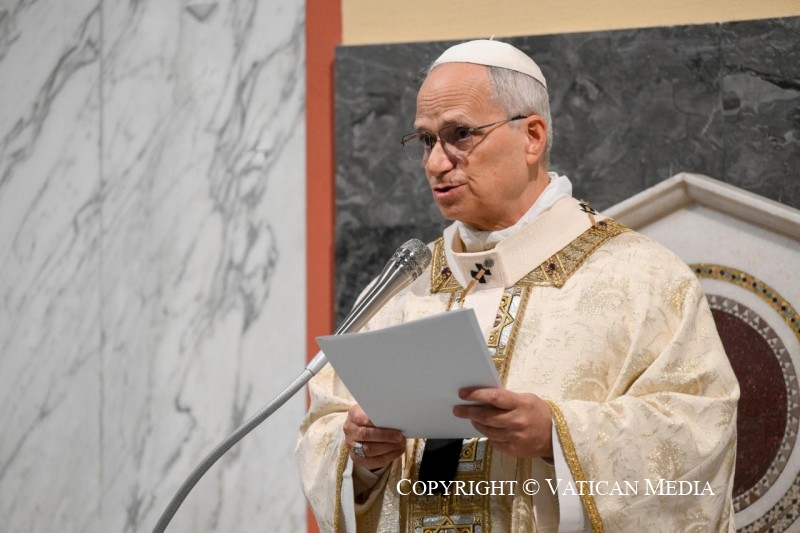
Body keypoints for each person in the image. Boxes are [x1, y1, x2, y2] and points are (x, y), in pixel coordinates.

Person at [296, 39, 739, 532]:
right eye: (425, 141)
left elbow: (702, 434)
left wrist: (557, 434)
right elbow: (324, 424)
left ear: (532, 136)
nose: (436, 163)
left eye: (460, 134)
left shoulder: (643, 279)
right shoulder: (400, 289)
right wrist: (360, 454)